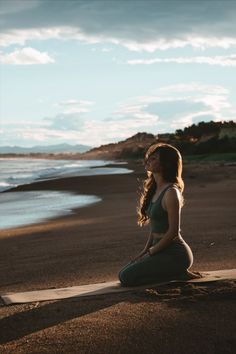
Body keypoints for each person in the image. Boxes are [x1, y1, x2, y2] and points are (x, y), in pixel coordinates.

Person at [118, 142, 201, 287]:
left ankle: (177, 274)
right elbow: (155, 228)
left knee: (126, 277)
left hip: (175, 254)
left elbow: (173, 232)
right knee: (123, 272)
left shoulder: (171, 192)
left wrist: (151, 252)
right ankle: (174, 274)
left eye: (154, 158)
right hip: (158, 250)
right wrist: (144, 251)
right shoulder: (155, 190)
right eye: (150, 157)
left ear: (165, 164)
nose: (149, 160)